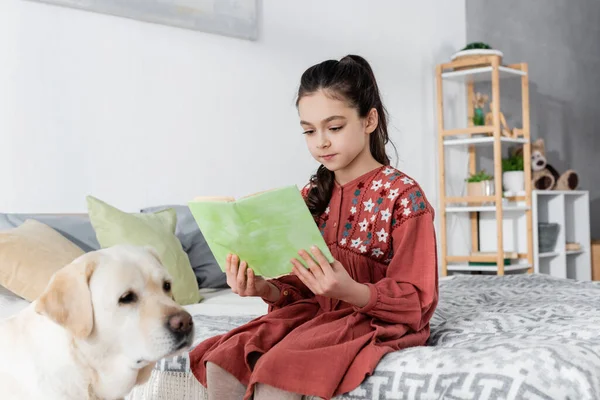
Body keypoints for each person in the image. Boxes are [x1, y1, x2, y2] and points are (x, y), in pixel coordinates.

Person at [189, 54, 439, 400]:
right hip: (313, 313)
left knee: (279, 369)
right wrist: (264, 287)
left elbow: (417, 300)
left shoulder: (403, 196)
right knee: (226, 356)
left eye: (334, 128)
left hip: (370, 317)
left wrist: (349, 290)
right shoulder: (311, 196)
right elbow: (299, 288)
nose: (320, 141)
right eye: (309, 130)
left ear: (369, 120)